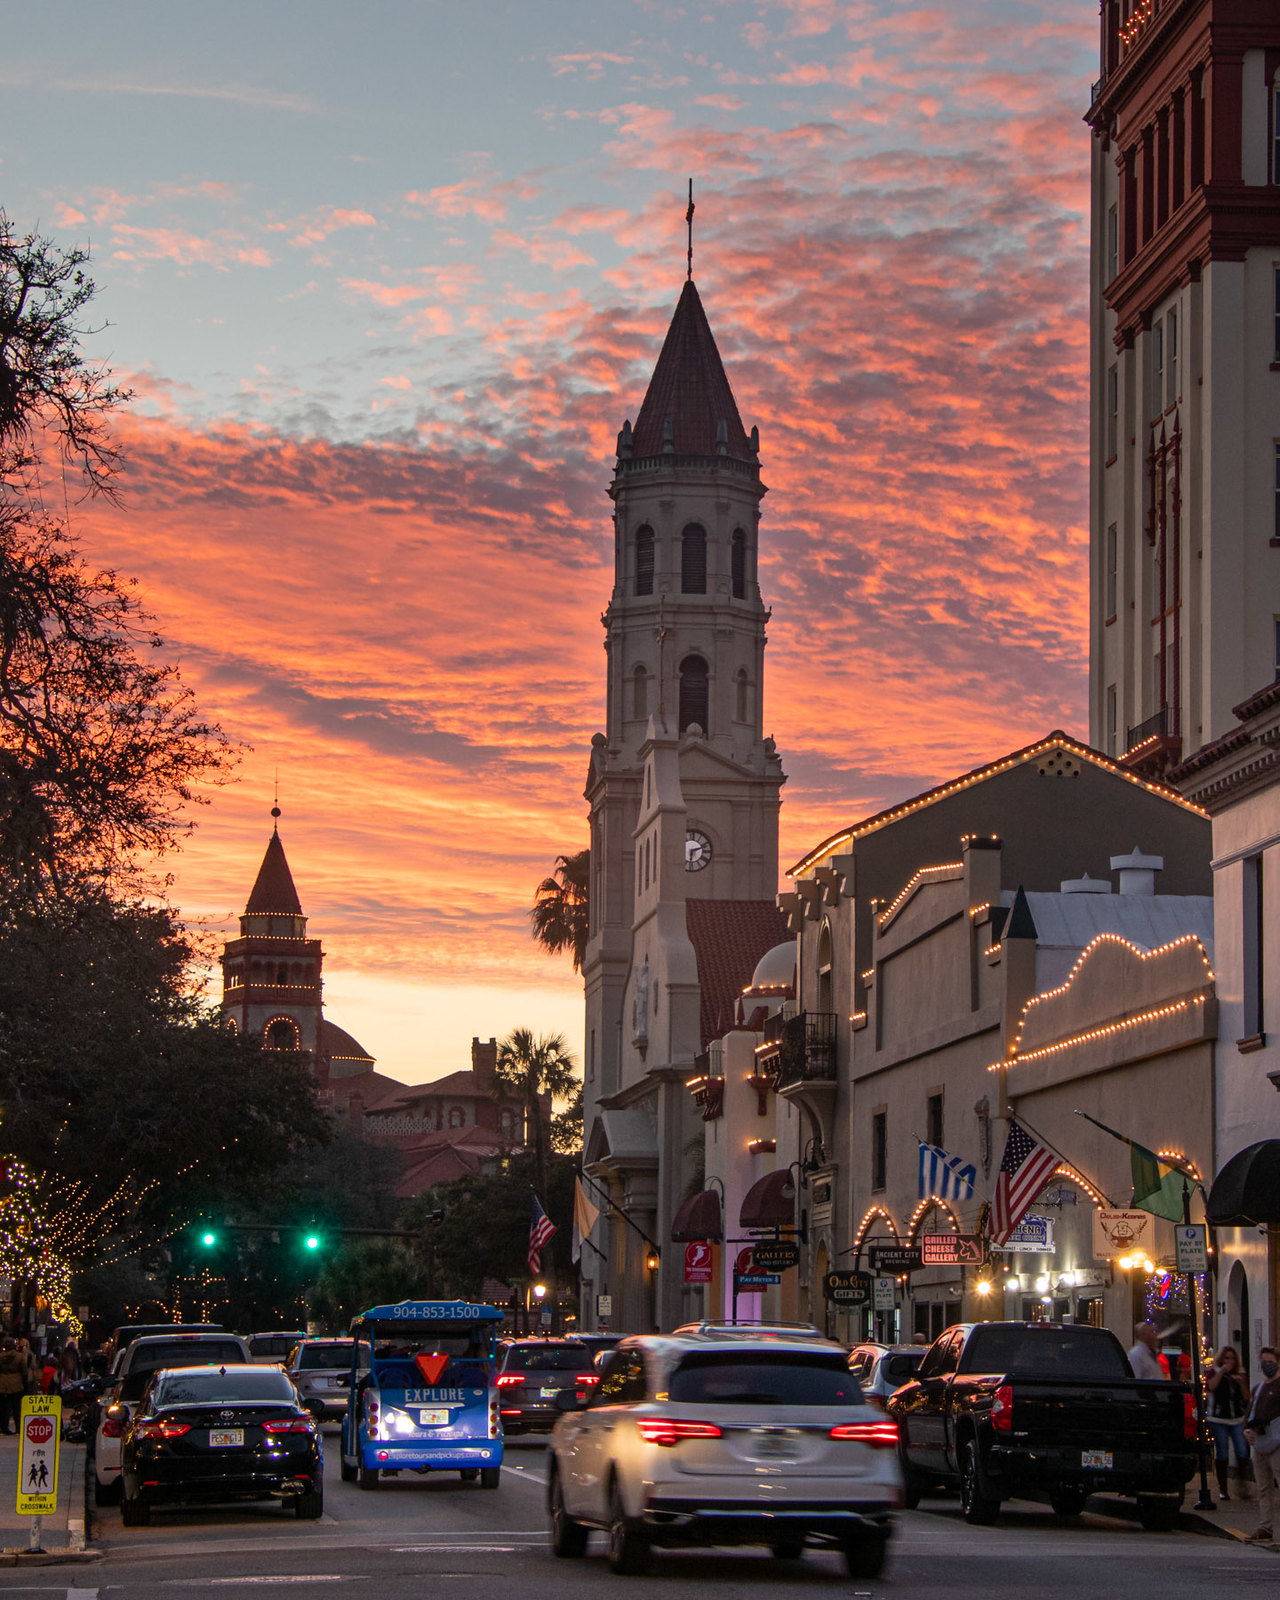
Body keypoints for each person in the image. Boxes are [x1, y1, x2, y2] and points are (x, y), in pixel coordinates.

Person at [1244, 1346, 1280, 1544]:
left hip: (1276, 1440)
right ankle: (1265, 1526)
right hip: (1259, 1441)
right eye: (1264, 1362)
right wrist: (1246, 1430)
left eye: (1270, 1362)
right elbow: (1249, 1413)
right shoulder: (1258, 1389)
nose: (1267, 1365)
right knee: (1263, 1487)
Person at [1206, 1345, 1250, 1500]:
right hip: (1218, 1418)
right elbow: (1210, 1387)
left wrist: (1241, 1382)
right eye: (1227, 1358)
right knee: (1222, 1451)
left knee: (1241, 1450)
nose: (1230, 1361)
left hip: (1236, 1418)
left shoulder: (1239, 1375)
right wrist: (1222, 1371)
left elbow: (1246, 1397)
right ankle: (1223, 1489)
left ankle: (1242, 1482)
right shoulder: (1214, 1372)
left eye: (1232, 1359)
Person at [0, 1339, 24, 1434]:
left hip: (2, 1384)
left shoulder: (1, 1356)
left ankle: (4, 1427)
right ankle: (18, 1427)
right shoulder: (19, 1356)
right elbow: (24, 1369)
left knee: (3, 1408)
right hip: (16, 1384)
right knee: (16, 1407)